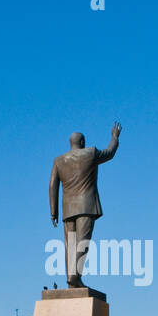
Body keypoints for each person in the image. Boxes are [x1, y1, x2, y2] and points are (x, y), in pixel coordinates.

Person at [49, 122, 123, 288]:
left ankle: (72, 280)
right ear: (82, 142)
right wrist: (114, 137)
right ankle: (75, 277)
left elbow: (52, 185)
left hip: (68, 210)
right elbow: (110, 153)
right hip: (86, 206)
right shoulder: (90, 153)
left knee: (71, 246)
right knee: (82, 243)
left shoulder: (59, 161)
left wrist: (53, 212)